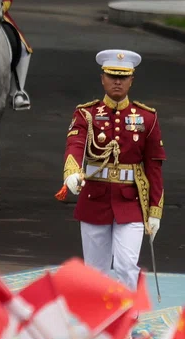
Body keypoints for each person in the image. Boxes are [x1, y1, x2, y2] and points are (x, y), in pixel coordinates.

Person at [61, 50, 164, 291]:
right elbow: (75, 143)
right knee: (95, 270)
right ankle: (98, 321)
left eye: (123, 77)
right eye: (112, 76)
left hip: (132, 201)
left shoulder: (147, 117)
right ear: (102, 79)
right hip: (94, 198)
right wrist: (72, 172)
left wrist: (155, 210)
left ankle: (127, 318)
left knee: (127, 265)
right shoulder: (86, 114)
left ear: (131, 80)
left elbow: (154, 165)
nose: (117, 81)